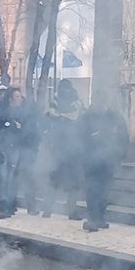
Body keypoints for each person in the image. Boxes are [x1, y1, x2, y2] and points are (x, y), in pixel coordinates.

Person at [79, 103, 129, 233]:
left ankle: (99, 217)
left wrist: (120, 154)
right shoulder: (87, 117)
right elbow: (79, 138)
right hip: (91, 160)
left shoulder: (115, 117)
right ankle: (93, 218)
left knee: (103, 189)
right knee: (93, 189)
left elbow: (123, 137)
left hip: (108, 159)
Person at [40, 80, 85, 219]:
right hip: (68, 148)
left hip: (63, 147)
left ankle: (48, 210)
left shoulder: (54, 103)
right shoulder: (77, 103)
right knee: (72, 180)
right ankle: (70, 211)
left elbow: (46, 120)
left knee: (56, 179)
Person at [0, 87, 26, 219]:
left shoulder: (21, 113)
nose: (19, 100)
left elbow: (24, 130)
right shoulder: (1, 112)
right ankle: (2, 206)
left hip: (15, 148)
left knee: (10, 178)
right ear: (11, 98)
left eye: (20, 97)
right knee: (3, 177)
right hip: (3, 148)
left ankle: (8, 205)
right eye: (17, 97)